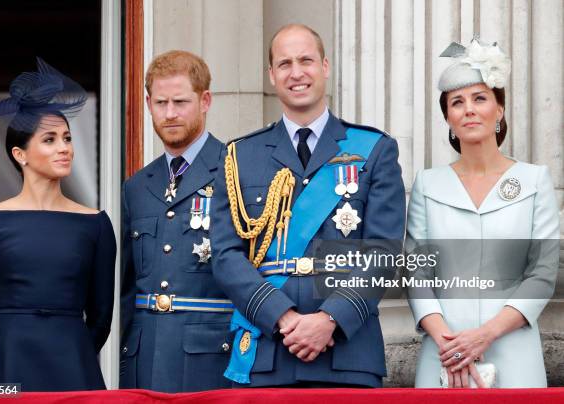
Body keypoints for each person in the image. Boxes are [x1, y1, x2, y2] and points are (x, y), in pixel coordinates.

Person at [210, 24, 405, 387]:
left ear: (325, 66)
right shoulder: (240, 156)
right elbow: (225, 255)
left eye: (306, 60)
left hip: (347, 355)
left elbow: (384, 253)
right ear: (271, 75)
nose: (296, 73)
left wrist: (329, 319)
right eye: (284, 63)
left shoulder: (374, 149)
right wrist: (282, 318)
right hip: (268, 351)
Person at [406, 39, 559, 388]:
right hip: (443, 352)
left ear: (499, 109)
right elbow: (417, 274)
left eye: (480, 98)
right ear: (448, 117)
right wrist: (451, 344)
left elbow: (542, 273)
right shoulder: (428, 185)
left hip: (512, 348)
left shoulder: (534, 180)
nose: (469, 109)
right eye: (457, 102)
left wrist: (484, 336)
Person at [0, 58, 116, 391]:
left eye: (67, 138)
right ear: (20, 154)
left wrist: (75, 354)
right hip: (1, 364)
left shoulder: (96, 224)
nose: (65, 149)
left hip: (73, 364)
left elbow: (102, 318)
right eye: (50, 140)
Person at [119, 50, 233, 392]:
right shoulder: (137, 186)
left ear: (205, 100)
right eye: (160, 102)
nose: (169, 114)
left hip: (210, 359)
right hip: (144, 358)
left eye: (180, 102)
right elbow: (127, 290)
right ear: (148, 103)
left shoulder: (236, 170)